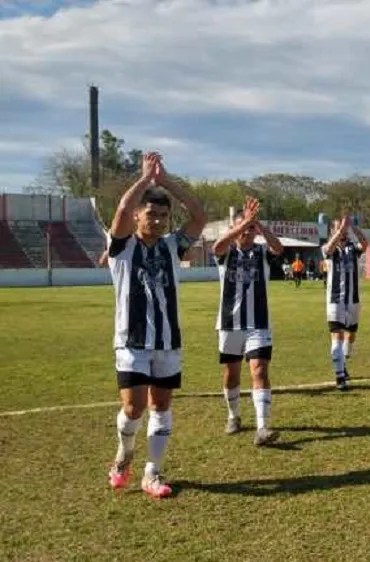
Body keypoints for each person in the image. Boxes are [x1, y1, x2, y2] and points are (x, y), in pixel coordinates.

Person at [105, 152, 207, 498]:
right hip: (131, 341)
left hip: (167, 342)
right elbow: (120, 212)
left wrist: (166, 182)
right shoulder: (121, 247)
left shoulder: (171, 246)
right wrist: (144, 180)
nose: (159, 221)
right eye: (152, 214)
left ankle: (152, 473)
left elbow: (199, 215)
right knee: (134, 408)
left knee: (161, 407)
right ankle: (123, 457)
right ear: (138, 215)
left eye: (164, 215)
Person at [211, 196, 284, 446]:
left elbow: (278, 249)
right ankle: (234, 415)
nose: (249, 233)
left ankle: (262, 427)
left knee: (260, 369)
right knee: (231, 373)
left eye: (251, 229)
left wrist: (259, 225)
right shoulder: (227, 253)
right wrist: (243, 224)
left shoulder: (262, 252)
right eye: (245, 228)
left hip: (259, 323)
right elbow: (216, 247)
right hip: (229, 323)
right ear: (236, 228)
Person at [323, 214, 369, 391]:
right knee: (337, 336)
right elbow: (327, 249)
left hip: (353, 300)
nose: (343, 232)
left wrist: (354, 228)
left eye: (344, 229)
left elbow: (365, 245)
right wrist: (340, 230)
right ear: (333, 231)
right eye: (338, 228)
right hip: (335, 301)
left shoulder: (352, 248)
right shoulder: (330, 249)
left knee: (351, 335)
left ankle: (343, 363)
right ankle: (340, 376)